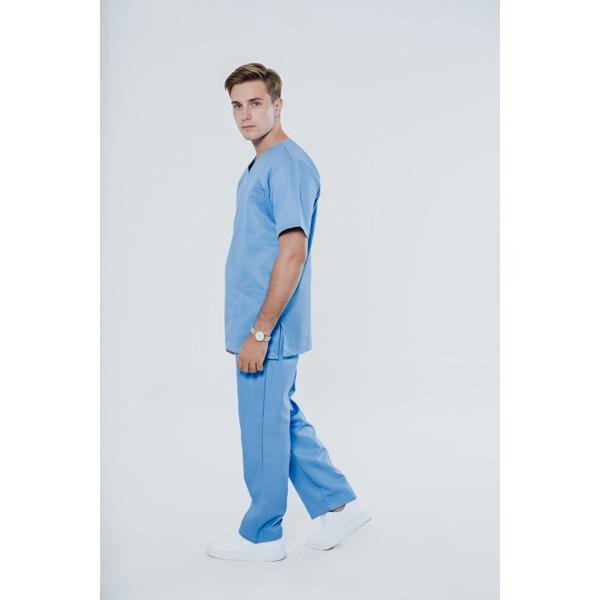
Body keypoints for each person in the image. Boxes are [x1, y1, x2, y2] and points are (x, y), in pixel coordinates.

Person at [206, 63, 372, 562]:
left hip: (268, 327)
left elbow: (293, 252)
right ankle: (337, 506)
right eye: (237, 105)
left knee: (262, 426)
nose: (245, 114)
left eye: (256, 103)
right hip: (258, 325)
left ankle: (262, 536)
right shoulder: (262, 165)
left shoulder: (287, 165)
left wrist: (260, 331)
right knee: (276, 418)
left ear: (278, 105)